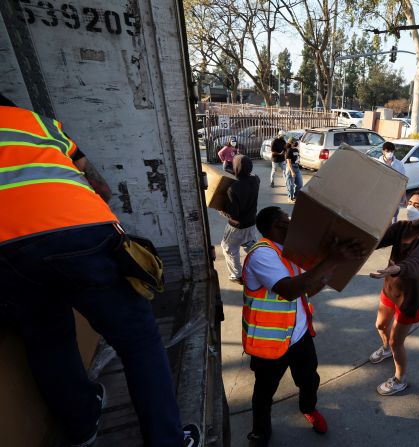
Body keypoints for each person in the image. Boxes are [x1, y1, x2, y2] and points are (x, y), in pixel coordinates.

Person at [0, 95, 199, 446]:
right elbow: (102, 188)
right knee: (138, 341)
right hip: (80, 230)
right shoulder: (37, 124)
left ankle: (82, 426)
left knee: (47, 340)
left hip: (7, 252)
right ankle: (167, 441)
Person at [242, 206, 364, 447]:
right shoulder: (261, 255)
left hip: (299, 336)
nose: (295, 224)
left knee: (309, 380)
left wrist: (330, 269)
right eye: (289, 220)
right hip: (270, 345)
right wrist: (333, 259)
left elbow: (307, 289)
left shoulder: (291, 252)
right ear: (278, 226)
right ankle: (260, 431)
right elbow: (289, 290)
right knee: (264, 393)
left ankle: (309, 408)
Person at [368, 192, 419, 395]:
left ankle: (400, 378)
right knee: (380, 325)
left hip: (409, 297)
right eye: (409, 203)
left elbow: (418, 263)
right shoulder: (401, 227)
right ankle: (385, 349)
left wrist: (397, 268)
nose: (411, 207)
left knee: (396, 342)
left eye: (417, 205)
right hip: (391, 288)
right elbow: (378, 239)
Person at [220, 155, 260, 284]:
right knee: (250, 245)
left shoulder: (233, 188)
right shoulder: (256, 180)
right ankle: (260, 268)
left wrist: (221, 210)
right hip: (252, 222)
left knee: (229, 248)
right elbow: (250, 175)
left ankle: (236, 275)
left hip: (237, 226)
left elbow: (234, 214)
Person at [379, 141, 406, 223]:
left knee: (394, 215)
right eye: (387, 151)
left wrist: (404, 196)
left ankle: (393, 231)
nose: (390, 153)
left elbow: (403, 181)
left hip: (394, 194)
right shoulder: (378, 163)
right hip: (382, 194)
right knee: (382, 216)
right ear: (383, 151)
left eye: (391, 151)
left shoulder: (399, 164)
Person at [285, 138, 303, 202]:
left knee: (300, 184)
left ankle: (295, 196)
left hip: (297, 167)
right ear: (291, 143)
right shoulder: (288, 151)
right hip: (290, 168)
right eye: (295, 141)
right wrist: (292, 172)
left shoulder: (296, 150)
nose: (296, 142)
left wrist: (299, 162)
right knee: (291, 185)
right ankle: (290, 198)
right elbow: (289, 163)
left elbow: (297, 158)